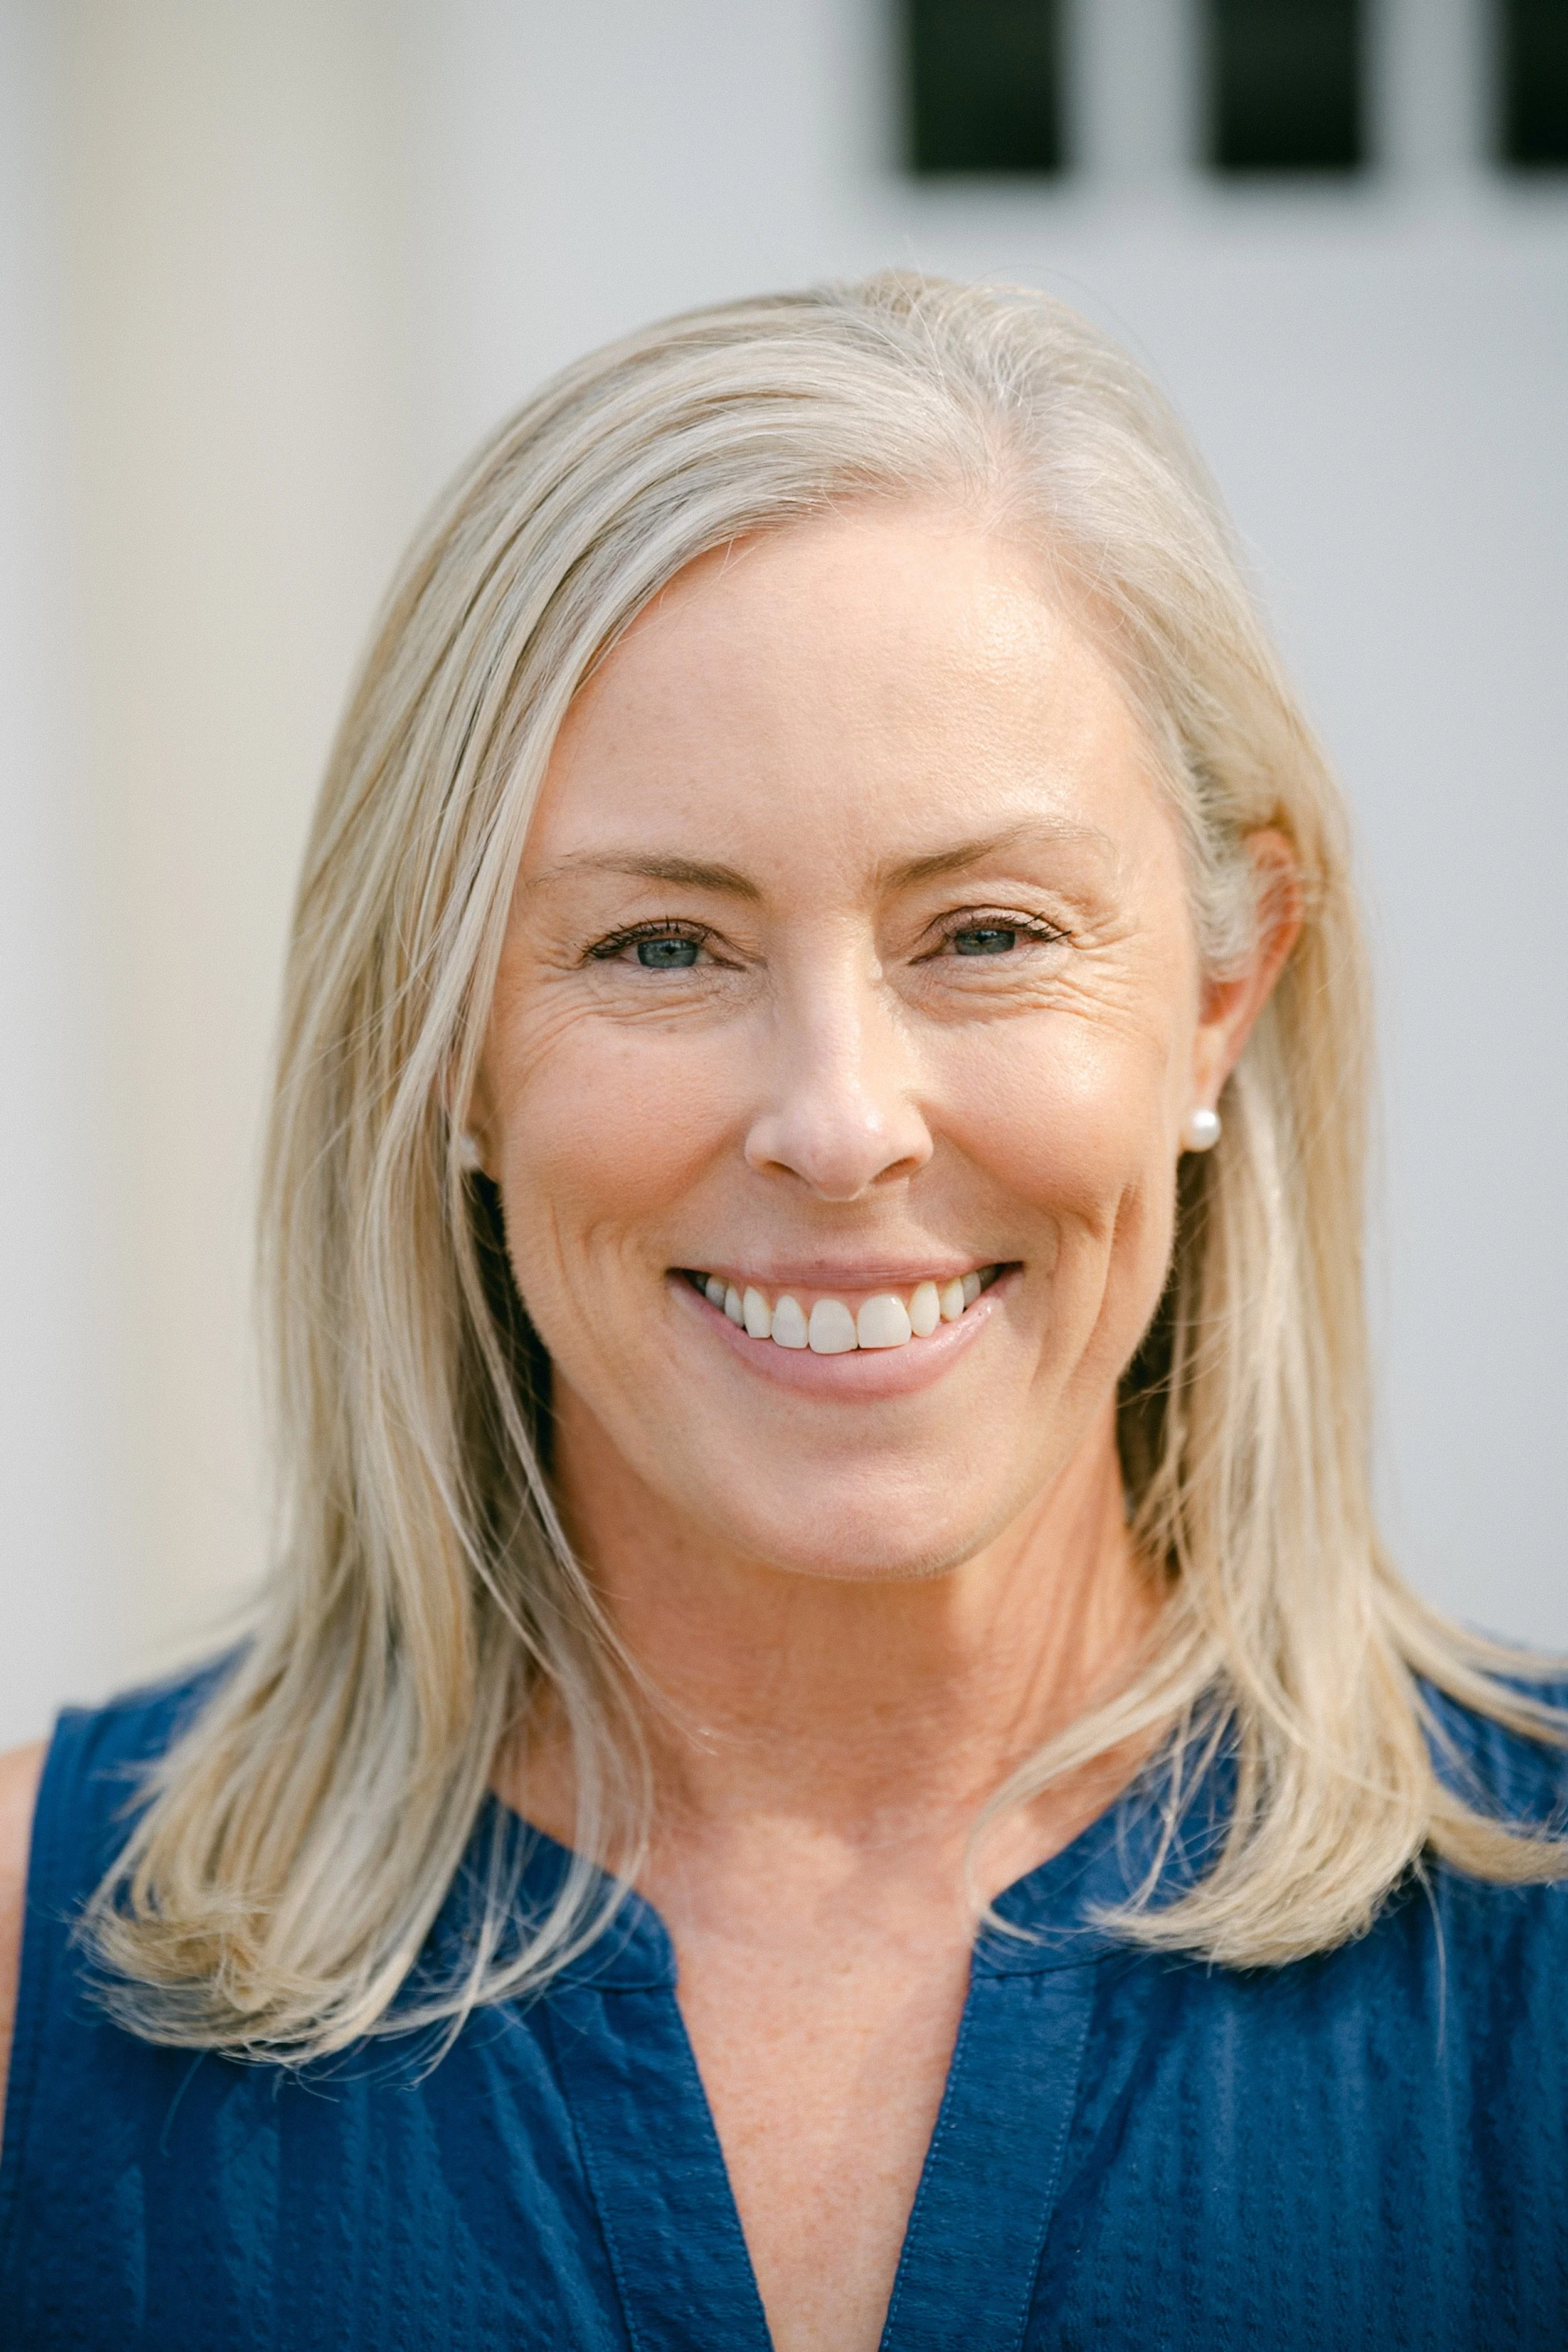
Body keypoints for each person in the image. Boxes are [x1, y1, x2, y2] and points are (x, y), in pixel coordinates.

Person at [1, 273, 1564, 2351]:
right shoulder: (27, 1957)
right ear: (450, 1041)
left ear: (1218, 990)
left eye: (986, 931)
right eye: (660, 946)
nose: (839, 1122)